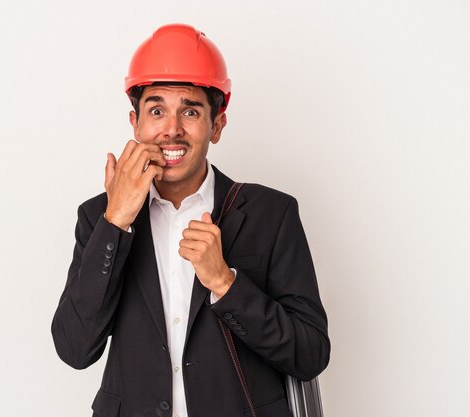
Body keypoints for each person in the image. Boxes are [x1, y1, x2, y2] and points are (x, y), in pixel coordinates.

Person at [51, 23, 330, 417]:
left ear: (217, 125)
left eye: (191, 111)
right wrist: (116, 222)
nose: (171, 129)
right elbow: (75, 348)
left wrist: (225, 283)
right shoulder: (98, 217)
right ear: (135, 124)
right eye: (157, 109)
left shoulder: (273, 215)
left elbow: (311, 353)